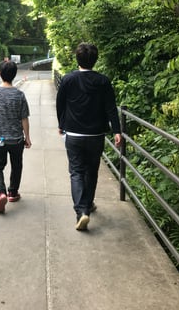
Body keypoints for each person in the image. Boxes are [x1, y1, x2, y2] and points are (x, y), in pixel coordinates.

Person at [56, 43, 122, 231]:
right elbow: (111, 108)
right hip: (96, 135)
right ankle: (87, 204)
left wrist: (61, 124)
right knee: (91, 171)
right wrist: (117, 131)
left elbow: (60, 104)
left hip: (73, 134)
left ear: (77, 59)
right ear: (95, 59)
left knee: (76, 172)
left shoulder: (68, 79)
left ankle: (82, 211)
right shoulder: (103, 81)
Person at [0, 60, 31, 214]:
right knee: (16, 166)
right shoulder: (19, 95)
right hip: (16, 139)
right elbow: (24, 118)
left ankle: (1, 193)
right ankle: (12, 193)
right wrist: (27, 137)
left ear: (0, 74)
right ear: (14, 75)